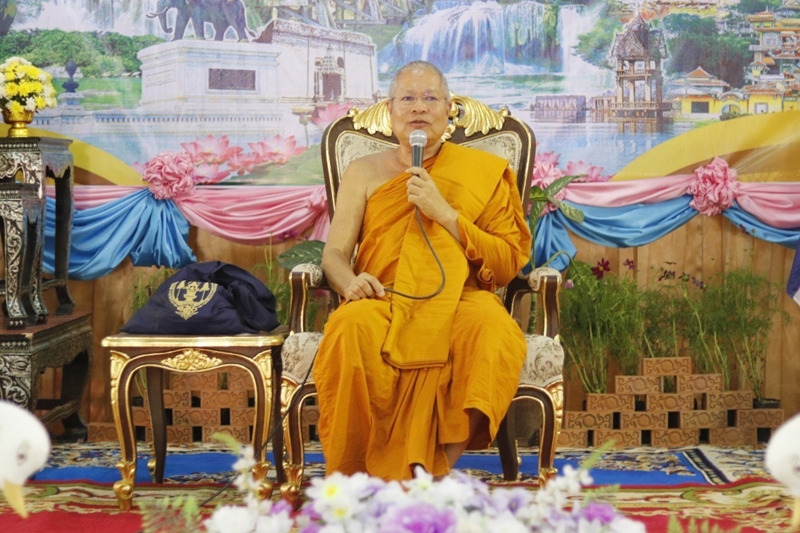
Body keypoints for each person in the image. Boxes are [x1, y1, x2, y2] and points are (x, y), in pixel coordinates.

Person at [313, 60, 531, 480]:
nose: (418, 107)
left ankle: (431, 474)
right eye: (408, 98)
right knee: (349, 327)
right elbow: (334, 254)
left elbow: (505, 263)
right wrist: (351, 281)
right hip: (384, 298)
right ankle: (356, 479)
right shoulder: (363, 171)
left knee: (492, 329)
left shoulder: (482, 172)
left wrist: (445, 213)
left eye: (430, 98)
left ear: (449, 109)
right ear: (390, 110)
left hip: (459, 299)